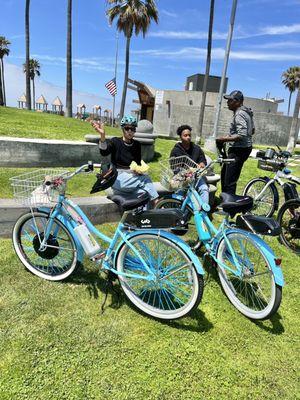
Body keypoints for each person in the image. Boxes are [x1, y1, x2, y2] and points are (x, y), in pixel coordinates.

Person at [91, 115, 159, 205]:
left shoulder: (137, 145)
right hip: (117, 178)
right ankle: (158, 203)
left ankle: (141, 218)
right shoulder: (115, 141)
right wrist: (102, 136)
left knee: (144, 194)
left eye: (133, 129)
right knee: (146, 179)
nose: (130, 131)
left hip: (131, 179)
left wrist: (139, 170)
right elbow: (104, 152)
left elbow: (138, 163)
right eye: (127, 128)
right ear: (123, 129)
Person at [216, 90, 254, 195]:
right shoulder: (247, 112)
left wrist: (224, 139)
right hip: (244, 148)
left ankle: (229, 209)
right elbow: (252, 131)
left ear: (237, 102)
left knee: (229, 179)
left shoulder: (239, 114)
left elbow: (242, 135)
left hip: (239, 150)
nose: (227, 102)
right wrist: (231, 136)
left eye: (230, 100)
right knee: (225, 174)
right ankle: (226, 201)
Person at [170, 124, 209, 205]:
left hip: (196, 176)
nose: (188, 137)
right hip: (182, 177)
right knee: (179, 191)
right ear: (180, 137)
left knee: (204, 188)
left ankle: (203, 212)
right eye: (185, 135)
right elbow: (173, 165)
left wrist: (202, 164)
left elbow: (203, 160)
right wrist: (183, 172)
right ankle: (177, 211)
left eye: (189, 135)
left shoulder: (196, 148)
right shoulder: (176, 150)